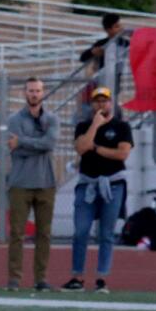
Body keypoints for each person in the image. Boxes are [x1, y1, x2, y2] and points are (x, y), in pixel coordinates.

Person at [63, 86, 133, 294]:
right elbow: (81, 148)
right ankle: (77, 276)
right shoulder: (83, 126)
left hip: (113, 185)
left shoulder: (122, 127)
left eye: (105, 101)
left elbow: (122, 154)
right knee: (81, 231)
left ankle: (102, 277)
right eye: (97, 101)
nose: (101, 105)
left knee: (106, 233)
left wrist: (98, 149)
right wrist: (95, 125)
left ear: (111, 103)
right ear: (92, 105)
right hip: (88, 184)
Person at [5, 77, 59, 291]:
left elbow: (50, 143)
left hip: (46, 182)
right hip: (20, 182)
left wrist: (25, 142)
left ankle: (41, 278)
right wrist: (33, 144)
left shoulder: (52, 119)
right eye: (30, 90)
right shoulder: (14, 119)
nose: (34, 94)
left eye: (37, 90)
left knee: (44, 233)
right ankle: (14, 279)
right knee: (17, 233)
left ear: (43, 93)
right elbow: (14, 147)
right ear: (24, 93)